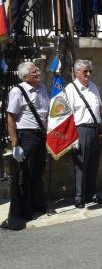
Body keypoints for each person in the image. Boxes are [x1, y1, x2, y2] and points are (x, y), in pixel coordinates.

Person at [1, 62, 49, 230]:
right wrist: (15, 144)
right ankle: (19, 215)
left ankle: (35, 207)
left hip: (40, 135)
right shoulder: (17, 91)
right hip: (26, 136)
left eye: (37, 70)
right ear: (24, 76)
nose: (38, 72)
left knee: (37, 172)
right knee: (22, 177)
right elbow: (11, 117)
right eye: (34, 71)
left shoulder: (42, 87)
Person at [65, 60, 102, 208]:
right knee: (81, 164)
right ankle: (79, 196)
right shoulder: (70, 89)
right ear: (76, 72)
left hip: (96, 129)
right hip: (82, 130)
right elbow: (67, 115)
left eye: (90, 71)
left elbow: (98, 109)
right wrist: (72, 137)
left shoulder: (93, 86)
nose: (88, 74)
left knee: (93, 163)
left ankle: (91, 193)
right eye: (85, 71)